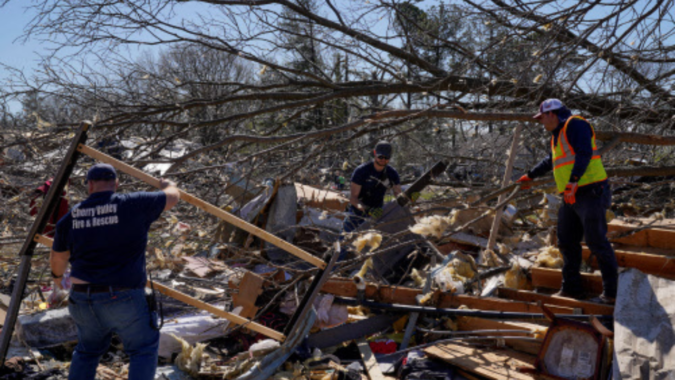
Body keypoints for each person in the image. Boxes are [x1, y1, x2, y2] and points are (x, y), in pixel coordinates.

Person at [50, 163, 180, 380]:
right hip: (123, 296)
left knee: (87, 351)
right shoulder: (133, 204)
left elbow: (58, 258)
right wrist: (168, 184)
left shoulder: (71, 217)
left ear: (90, 185)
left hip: (82, 298)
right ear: (116, 184)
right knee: (142, 349)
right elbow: (173, 197)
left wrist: (56, 279)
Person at [517, 99, 618, 304]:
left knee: (596, 241)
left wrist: (573, 182)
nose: (541, 123)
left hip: (591, 191)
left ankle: (612, 294)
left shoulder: (576, 124)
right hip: (572, 194)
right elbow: (550, 161)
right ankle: (571, 289)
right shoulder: (557, 136)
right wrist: (530, 175)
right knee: (566, 241)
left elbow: (584, 153)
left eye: (542, 118)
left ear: (552, 114)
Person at [339, 141, 402, 260]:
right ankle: (331, 270)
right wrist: (367, 209)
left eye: (386, 157)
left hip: (377, 214)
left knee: (373, 247)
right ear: (374, 153)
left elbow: (398, 193)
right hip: (356, 213)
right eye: (380, 156)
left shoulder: (391, 173)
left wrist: (409, 197)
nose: (383, 159)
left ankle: (365, 272)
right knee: (343, 242)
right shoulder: (362, 171)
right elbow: (353, 198)